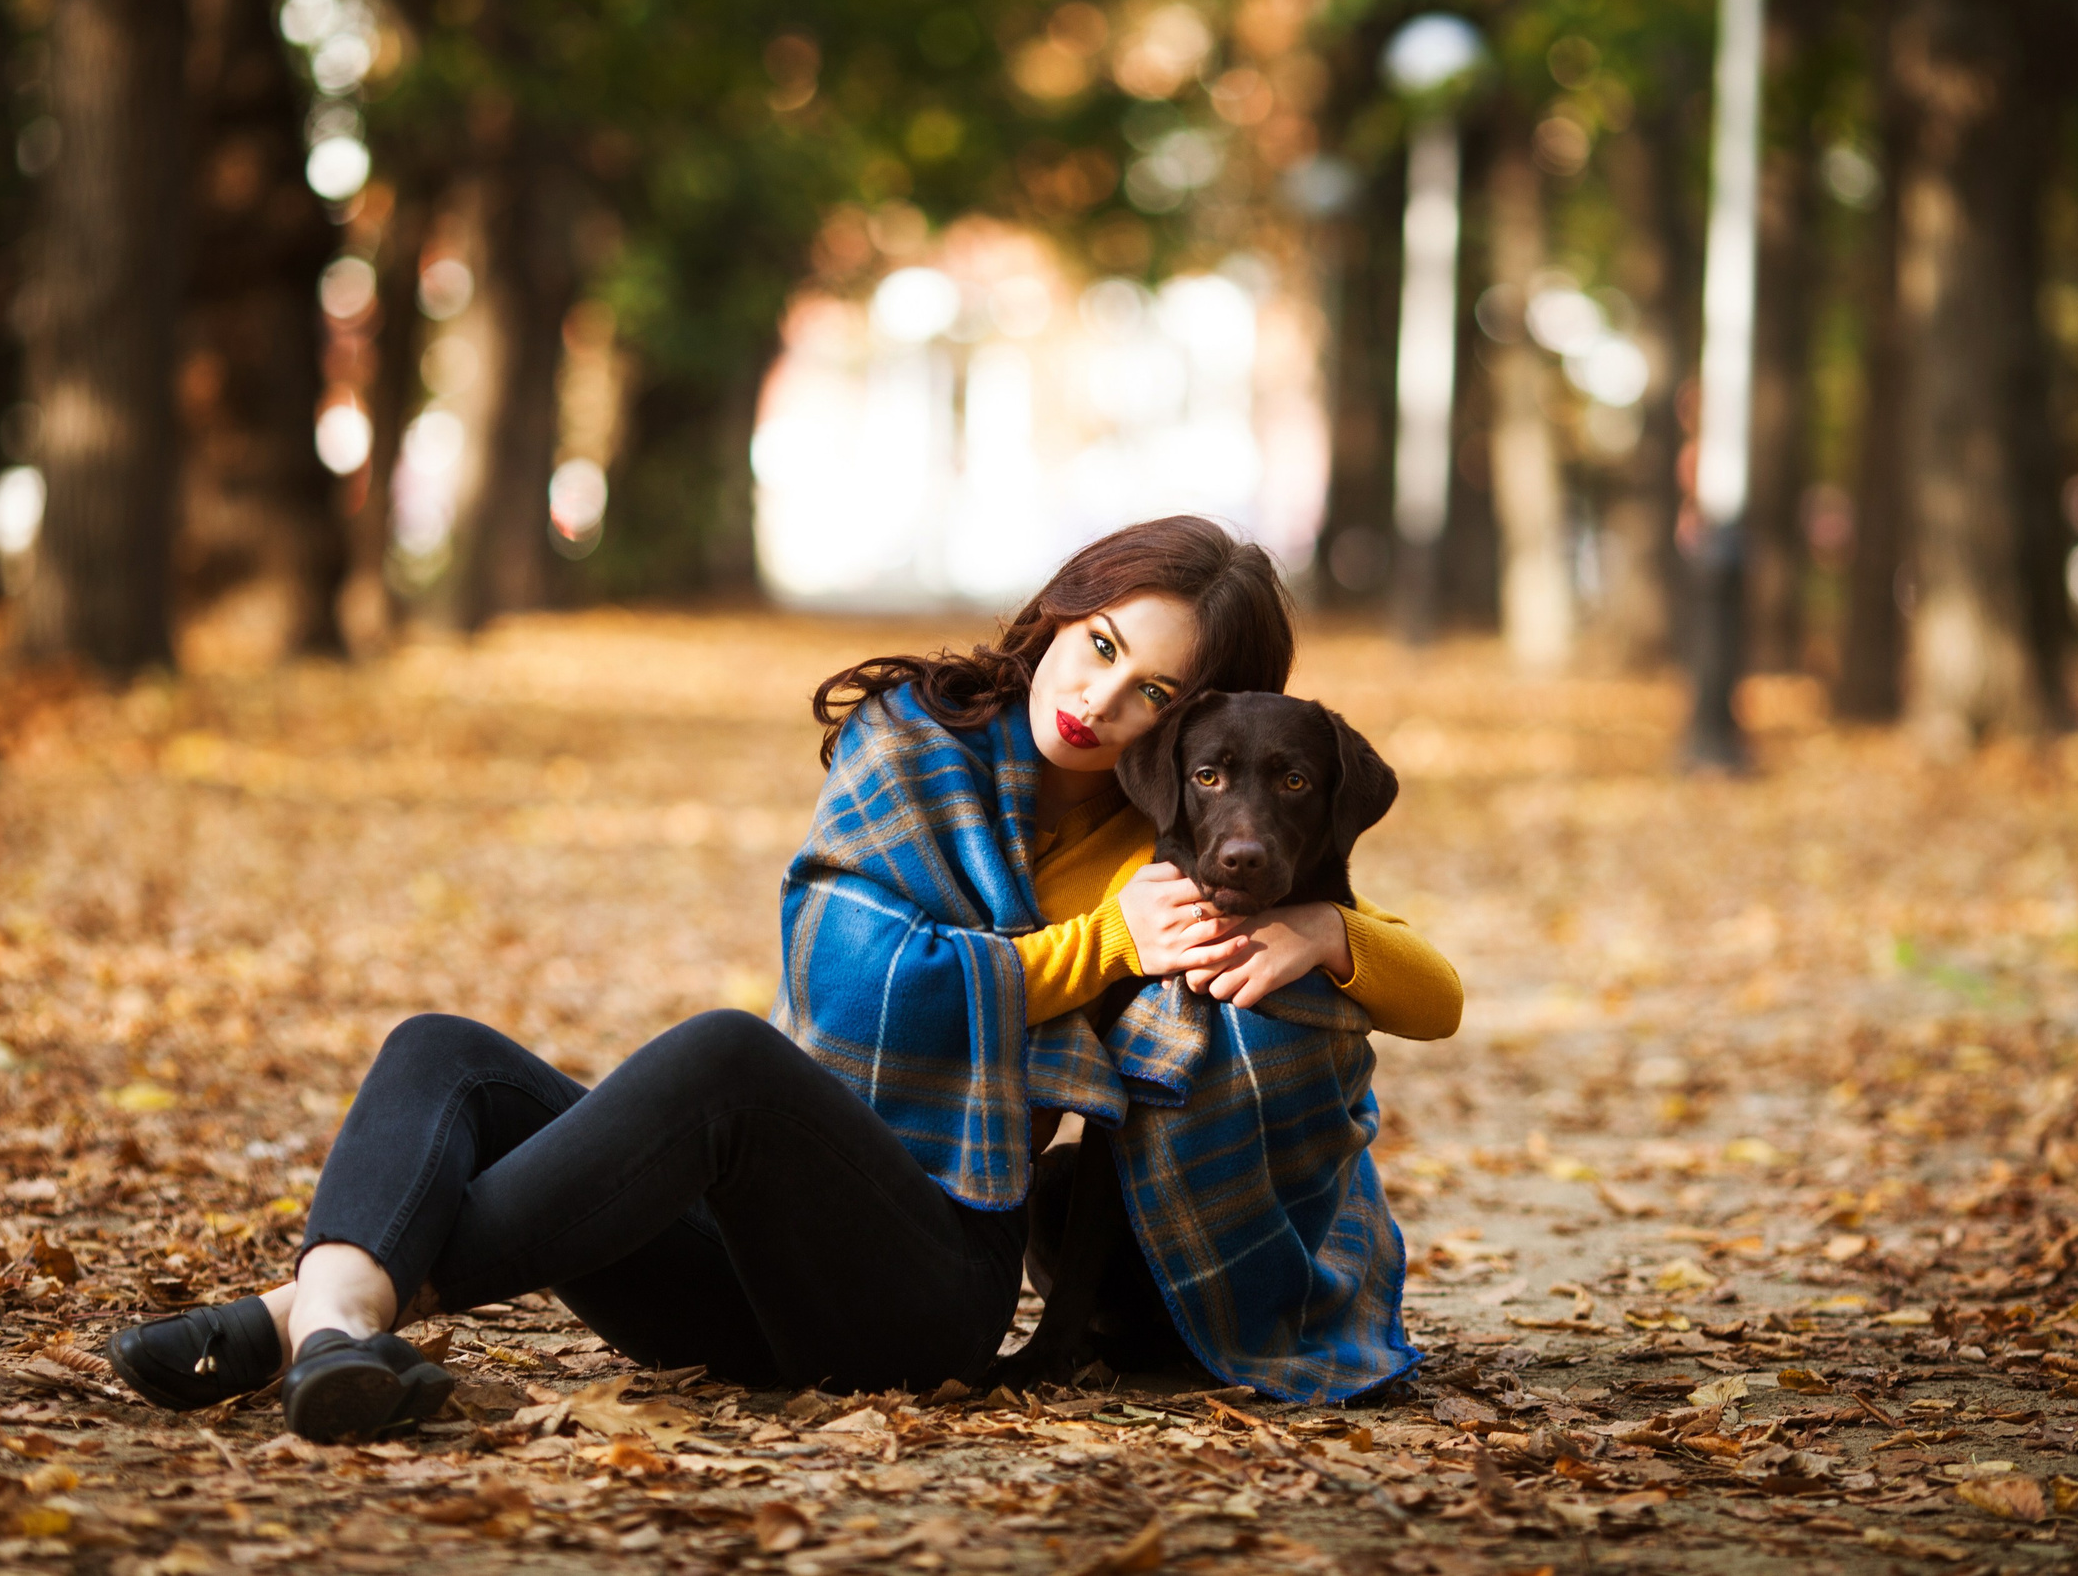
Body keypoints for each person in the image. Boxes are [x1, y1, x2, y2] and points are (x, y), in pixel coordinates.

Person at [105, 516, 1461, 1442]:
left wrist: (1333, 938)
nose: (1104, 703)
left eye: (1158, 695)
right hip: (748, 1256)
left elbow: (1434, 991)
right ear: (1060, 615)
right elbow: (852, 988)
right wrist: (1106, 948)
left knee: (721, 1061)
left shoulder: (1172, 836)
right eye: (1102, 645)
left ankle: (291, 1316)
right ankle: (334, 1331)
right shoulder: (915, 744)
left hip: (921, 1281)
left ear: (1198, 723)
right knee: (443, 1049)